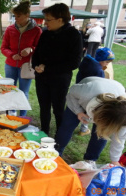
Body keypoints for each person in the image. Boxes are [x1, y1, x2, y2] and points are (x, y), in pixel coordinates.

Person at [55, 77, 126, 167]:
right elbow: (72, 92)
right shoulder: (87, 93)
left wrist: (115, 160)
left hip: (107, 109)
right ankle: (56, 153)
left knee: (102, 135)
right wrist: (78, 112)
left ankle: (90, 160)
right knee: (67, 127)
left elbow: (119, 139)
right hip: (80, 99)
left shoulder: (125, 117)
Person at [32, 3, 82, 135]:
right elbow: (37, 53)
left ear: (60, 19)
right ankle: (44, 132)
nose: (45, 22)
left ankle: (60, 136)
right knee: (44, 107)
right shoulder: (45, 34)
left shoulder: (73, 35)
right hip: (41, 77)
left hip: (59, 79)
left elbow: (74, 63)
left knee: (58, 109)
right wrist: (36, 65)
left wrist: (46, 68)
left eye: (48, 20)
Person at [1, 0, 42, 116]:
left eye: (18, 16)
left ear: (27, 15)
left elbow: (39, 48)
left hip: (26, 66)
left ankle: (22, 116)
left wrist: (31, 49)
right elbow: (3, 48)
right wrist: (11, 54)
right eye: (14, 16)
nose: (16, 19)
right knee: (10, 90)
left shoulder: (36, 30)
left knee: (23, 92)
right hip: (10, 64)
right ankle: (11, 112)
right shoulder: (10, 29)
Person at [76, 47, 115, 136]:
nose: (107, 64)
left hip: (79, 92)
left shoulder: (86, 64)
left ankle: (74, 125)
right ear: (101, 59)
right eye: (107, 62)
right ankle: (83, 129)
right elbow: (100, 86)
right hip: (90, 97)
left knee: (78, 110)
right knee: (87, 112)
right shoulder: (98, 71)